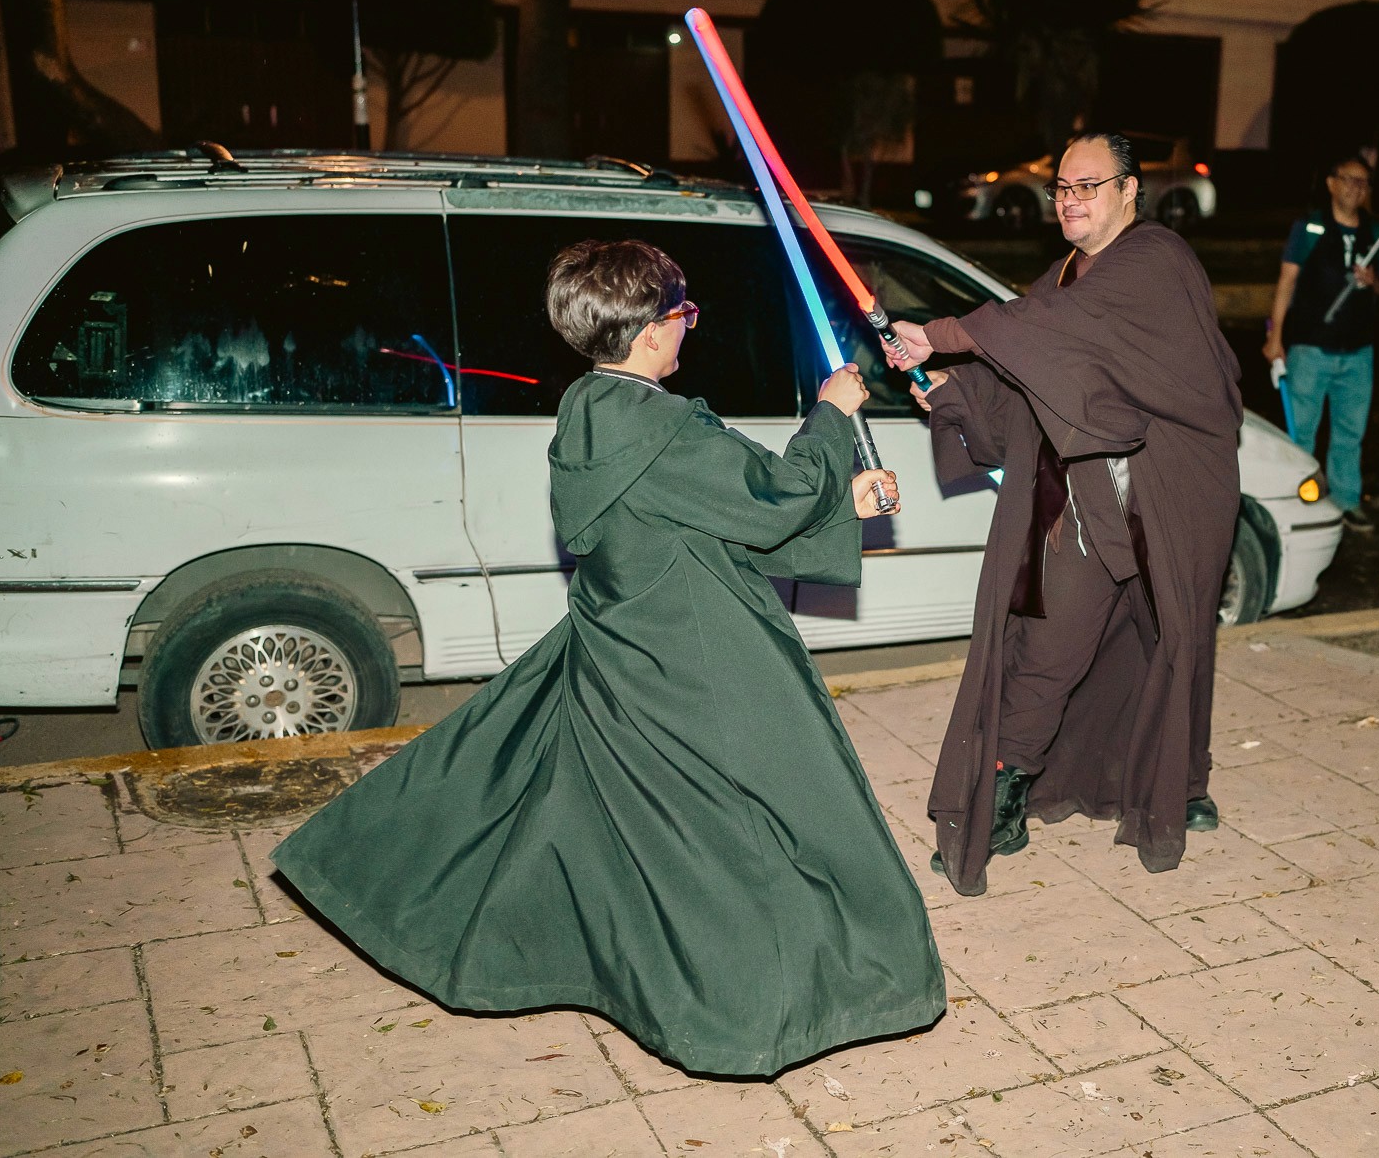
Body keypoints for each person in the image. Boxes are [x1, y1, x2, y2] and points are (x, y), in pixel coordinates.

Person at [273, 239, 946, 1076]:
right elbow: (770, 501)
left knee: (632, 832)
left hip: (623, 648)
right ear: (652, 330)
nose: (688, 327)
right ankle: (763, 1009)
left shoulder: (591, 412)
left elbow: (690, 519)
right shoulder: (664, 427)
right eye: (682, 314)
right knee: (790, 809)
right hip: (704, 659)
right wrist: (833, 416)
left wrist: (841, 501)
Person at [884, 132, 1243, 896]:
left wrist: (944, 333)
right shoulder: (1064, 276)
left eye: (1087, 185)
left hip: (1167, 492)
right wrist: (947, 386)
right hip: (1085, 502)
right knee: (1048, 647)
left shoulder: (1156, 259)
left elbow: (1050, 333)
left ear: (1129, 190)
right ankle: (1005, 794)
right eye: (1060, 188)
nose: (1070, 199)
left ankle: (1180, 784)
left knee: (1174, 637)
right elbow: (1025, 358)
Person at [1262, 155, 1379, 532]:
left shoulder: (1376, 231)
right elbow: (1286, 283)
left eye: (1364, 182)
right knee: (1301, 433)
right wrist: (1276, 338)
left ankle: (1346, 500)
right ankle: (1297, 502)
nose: (1357, 188)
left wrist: (1375, 282)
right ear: (1331, 183)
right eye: (1349, 180)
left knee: (1349, 434)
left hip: (1358, 351)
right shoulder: (1311, 227)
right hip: (1311, 347)